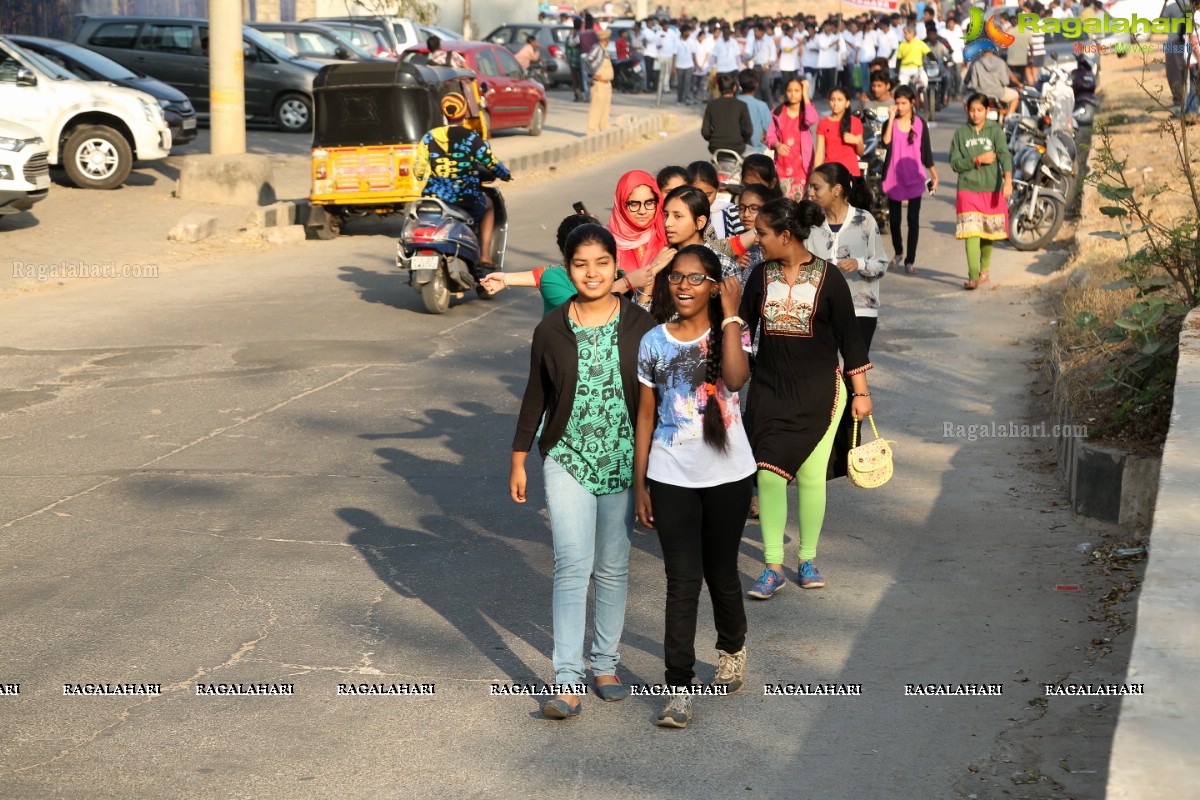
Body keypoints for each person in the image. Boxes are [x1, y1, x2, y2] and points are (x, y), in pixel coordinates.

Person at [510, 224, 657, 719]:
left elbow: (655, 402)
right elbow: (537, 394)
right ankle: (567, 677)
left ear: (616, 265)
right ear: (566, 269)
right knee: (572, 564)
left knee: (613, 566)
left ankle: (606, 663)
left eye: (601, 262)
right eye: (580, 264)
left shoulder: (640, 325)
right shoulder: (551, 327)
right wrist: (518, 458)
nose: (592, 273)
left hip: (622, 462)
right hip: (567, 457)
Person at [634, 245, 755, 729]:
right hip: (669, 474)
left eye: (695, 279)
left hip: (728, 474)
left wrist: (730, 315)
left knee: (722, 572)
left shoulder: (732, 332)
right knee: (682, 580)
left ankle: (731, 647)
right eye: (676, 278)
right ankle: (678, 688)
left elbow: (736, 378)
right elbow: (645, 415)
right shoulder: (652, 342)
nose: (683, 286)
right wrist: (641, 482)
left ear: (713, 285)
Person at [739, 198, 873, 600]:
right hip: (769, 391)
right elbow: (744, 330)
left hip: (821, 395)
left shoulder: (830, 278)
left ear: (785, 235)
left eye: (762, 234)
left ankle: (809, 558)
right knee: (768, 474)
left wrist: (861, 393)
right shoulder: (760, 277)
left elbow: (851, 339)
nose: (757, 241)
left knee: (812, 478)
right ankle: (773, 566)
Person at [418, 93, 511, 274]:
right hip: (465, 197)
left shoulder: (429, 137)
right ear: (464, 112)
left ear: (445, 113)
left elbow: (418, 170)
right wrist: (505, 174)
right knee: (489, 206)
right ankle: (484, 255)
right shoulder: (471, 138)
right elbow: (490, 161)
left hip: (434, 197)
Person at [805, 163, 888, 352]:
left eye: (816, 187)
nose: (810, 193)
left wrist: (858, 263)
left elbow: (881, 264)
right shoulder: (812, 224)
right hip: (821, 312)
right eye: (810, 187)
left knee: (853, 374)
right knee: (827, 375)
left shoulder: (865, 220)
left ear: (836, 190)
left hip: (861, 311)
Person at [950, 93, 1013, 289]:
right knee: (971, 232)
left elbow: (1004, 155)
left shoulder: (995, 131)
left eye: (979, 110)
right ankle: (972, 276)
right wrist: (977, 160)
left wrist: (1008, 181)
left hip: (991, 188)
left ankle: (984, 270)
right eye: (972, 110)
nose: (975, 114)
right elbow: (954, 163)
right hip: (967, 188)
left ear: (987, 110)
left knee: (988, 233)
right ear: (966, 110)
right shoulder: (961, 134)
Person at [881, 84, 939, 274]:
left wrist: (934, 174)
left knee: (913, 220)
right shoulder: (891, 122)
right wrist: (890, 118)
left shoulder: (920, 124)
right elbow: (886, 142)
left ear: (912, 103)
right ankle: (898, 252)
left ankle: (909, 260)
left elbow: (926, 152)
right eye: (897, 103)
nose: (900, 106)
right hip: (893, 177)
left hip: (915, 178)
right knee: (895, 220)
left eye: (904, 103)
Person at [610, 169, 677, 306]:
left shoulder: (669, 235)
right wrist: (652, 268)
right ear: (621, 204)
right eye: (633, 204)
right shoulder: (606, 243)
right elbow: (597, 295)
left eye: (649, 203)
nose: (642, 211)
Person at [663, 184, 739, 278]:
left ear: (700, 222)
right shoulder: (662, 259)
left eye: (678, 216)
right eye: (666, 215)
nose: (667, 223)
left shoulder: (723, 265)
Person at [766, 76, 819, 200]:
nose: (793, 94)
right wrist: (777, 144)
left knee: (800, 201)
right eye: (790, 90)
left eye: (797, 90)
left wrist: (806, 94)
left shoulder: (806, 111)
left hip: (802, 166)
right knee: (783, 201)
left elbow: (811, 119)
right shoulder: (778, 112)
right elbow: (770, 136)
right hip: (782, 165)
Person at [813, 87, 865, 179]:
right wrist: (816, 174)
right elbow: (819, 152)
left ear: (847, 103)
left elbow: (860, 153)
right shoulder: (823, 123)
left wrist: (857, 141)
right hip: (830, 172)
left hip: (851, 171)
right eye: (832, 100)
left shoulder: (855, 122)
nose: (835, 103)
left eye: (840, 100)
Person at [701, 73, 753, 155]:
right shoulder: (741, 105)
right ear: (734, 88)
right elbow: (748, 130)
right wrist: (740, 140)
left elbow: (705, 132)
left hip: (715, 147)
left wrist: (714, 139)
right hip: (737, 147)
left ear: (719, 89)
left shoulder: (711, 105)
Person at [964, 47, 1022, 117]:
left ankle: (973, 118)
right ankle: (1008, 117)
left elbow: (974, 84)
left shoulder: (976, 64)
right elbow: (1005, 81)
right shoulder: (1001, 62)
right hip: (1000, 93)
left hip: (981, 94)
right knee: (1015, 95)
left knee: (965, 101)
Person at [585, 28, 615, 133]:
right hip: (599, 83)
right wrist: (592, 74)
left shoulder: (604, 49)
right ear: (605, 39)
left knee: (605, 109)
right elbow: (587, 60)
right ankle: (591, 131)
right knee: (596, 108)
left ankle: (604, 130)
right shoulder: (598, 48)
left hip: (607, 84)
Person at [736, 69, 773, 154]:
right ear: (756, 85)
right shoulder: (761, 106)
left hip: (735, 147)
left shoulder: (733, 102)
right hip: (757, 150)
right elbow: (770, 130)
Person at [896, 24, 931, 93]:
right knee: (901, 87)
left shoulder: (920, 43)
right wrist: (896, 72)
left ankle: (922, 97)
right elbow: (899, 60)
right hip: (904, 69)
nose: (905, 35)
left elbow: (929, 53)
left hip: (917, 68)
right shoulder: (902, 45)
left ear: (913, 33)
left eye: (906, 33)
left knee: (924, 81)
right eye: (904, 33)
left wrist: (934, 60)